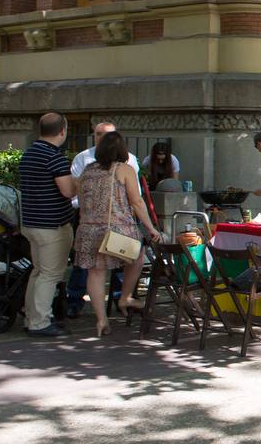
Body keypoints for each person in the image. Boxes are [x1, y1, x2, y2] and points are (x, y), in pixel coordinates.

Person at [73, 131, 162, 335]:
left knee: (95, 273)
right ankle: (125, 297)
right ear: (123, 150)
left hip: (88, 230)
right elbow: (137, 202)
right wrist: (151, 228)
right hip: (116, 229)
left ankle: (101, 320)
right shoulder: (124, 169)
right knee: (137, 257)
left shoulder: (87, 170)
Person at [65, 120, 139, 317]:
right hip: (91, 219)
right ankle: (76, 299)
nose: (102, 138)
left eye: (106, 135)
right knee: (87, 266)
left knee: (120, 261)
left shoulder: (129, 160)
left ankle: (117, 300)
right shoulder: (84, 159)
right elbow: (76, 193)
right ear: (93, 135)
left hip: (116, 219)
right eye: (98, 134)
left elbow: (134, 194)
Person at [19, 112, 79, 337]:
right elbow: (68, 191)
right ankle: (40, 322)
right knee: (50, 274)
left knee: (38, 272)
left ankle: (31, 317)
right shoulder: (55, 156)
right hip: (52, 224)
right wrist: (78, 181)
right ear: (63, 130)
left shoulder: (30, 153)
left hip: (32, 222)